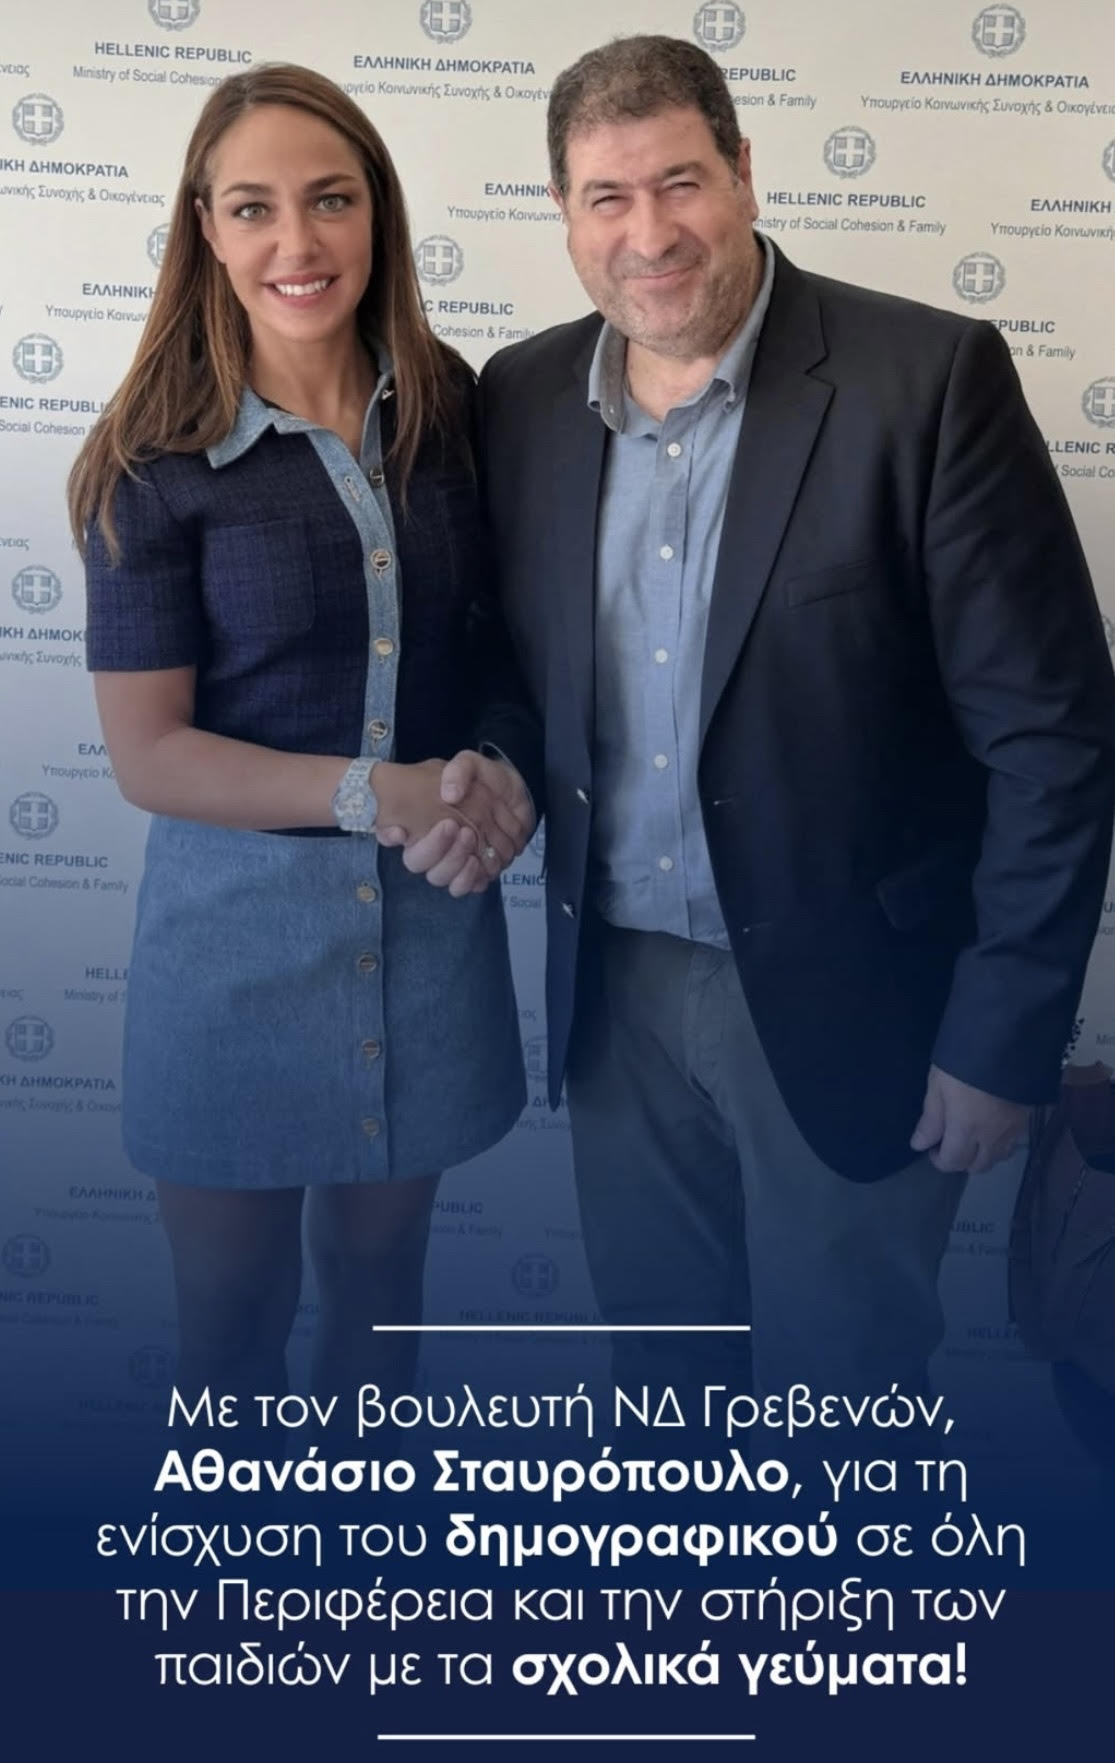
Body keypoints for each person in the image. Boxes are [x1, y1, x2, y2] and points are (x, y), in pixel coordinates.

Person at [418, 34, 1115, 1399]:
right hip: (616, 998)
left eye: (680, 181)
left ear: (743, 171)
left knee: (842, 1397)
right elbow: (516, 661)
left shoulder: (928, 378)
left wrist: (1002, 1036)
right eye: (607, 197)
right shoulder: (522, 397)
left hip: (860, 1000)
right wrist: (497, 760)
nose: (649, 233)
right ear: (563, 213)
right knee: (660, 1384)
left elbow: (1054, 738)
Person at [69, 63, 539, 1429]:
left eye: (331, 200)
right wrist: (378, 791)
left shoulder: (456, 410)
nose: (298, 241)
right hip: (234, 953)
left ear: (378, 214)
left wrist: (500, 771)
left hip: (429, 929)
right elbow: (151, 755)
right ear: (205, 230)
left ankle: (358, 1544)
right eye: (254, 208)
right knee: (231, 1317)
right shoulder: (148, 463)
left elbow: (508, 654)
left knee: (382, 1291)